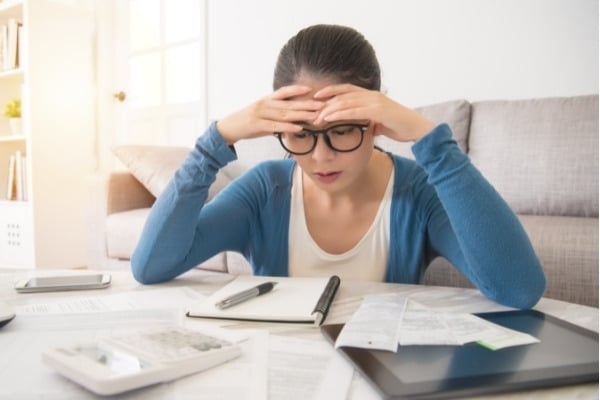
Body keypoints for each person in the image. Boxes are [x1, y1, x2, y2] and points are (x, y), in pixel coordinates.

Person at [131, 24, 546, 309]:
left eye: (343, 130)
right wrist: (213, 144)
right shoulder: (264, 191)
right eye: (300, 133)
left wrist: (430, 140)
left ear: (377, 120)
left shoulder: (416, 191)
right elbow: (151, 266)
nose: (321, 157)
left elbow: (519, 288)